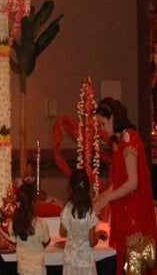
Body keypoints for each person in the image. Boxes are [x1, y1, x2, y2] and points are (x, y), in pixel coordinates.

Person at [94, 97, 157, 275]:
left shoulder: (128, 138)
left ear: (113, 117)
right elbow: (119, 182)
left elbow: (132, 182)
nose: (103, 129)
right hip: (126, 207)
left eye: (103, 123)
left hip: (133, 209)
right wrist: (102, 197)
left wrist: (106, 199)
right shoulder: (121, 140)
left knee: (134, 263)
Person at [59, 168, 98, 274]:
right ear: (87, 188)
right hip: (85, 260)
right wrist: (97, 236)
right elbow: (92, 242)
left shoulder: (67, 208)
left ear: (70, 188)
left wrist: (74, 234)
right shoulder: (89, 211)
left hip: (70, 259)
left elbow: (62, 233)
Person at [9, 182, 51, 274]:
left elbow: (12, 240)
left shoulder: (14, 223)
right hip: (38, 270)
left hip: (23, 269)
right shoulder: (41, 224)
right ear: (33, 203)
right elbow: (46, 241)